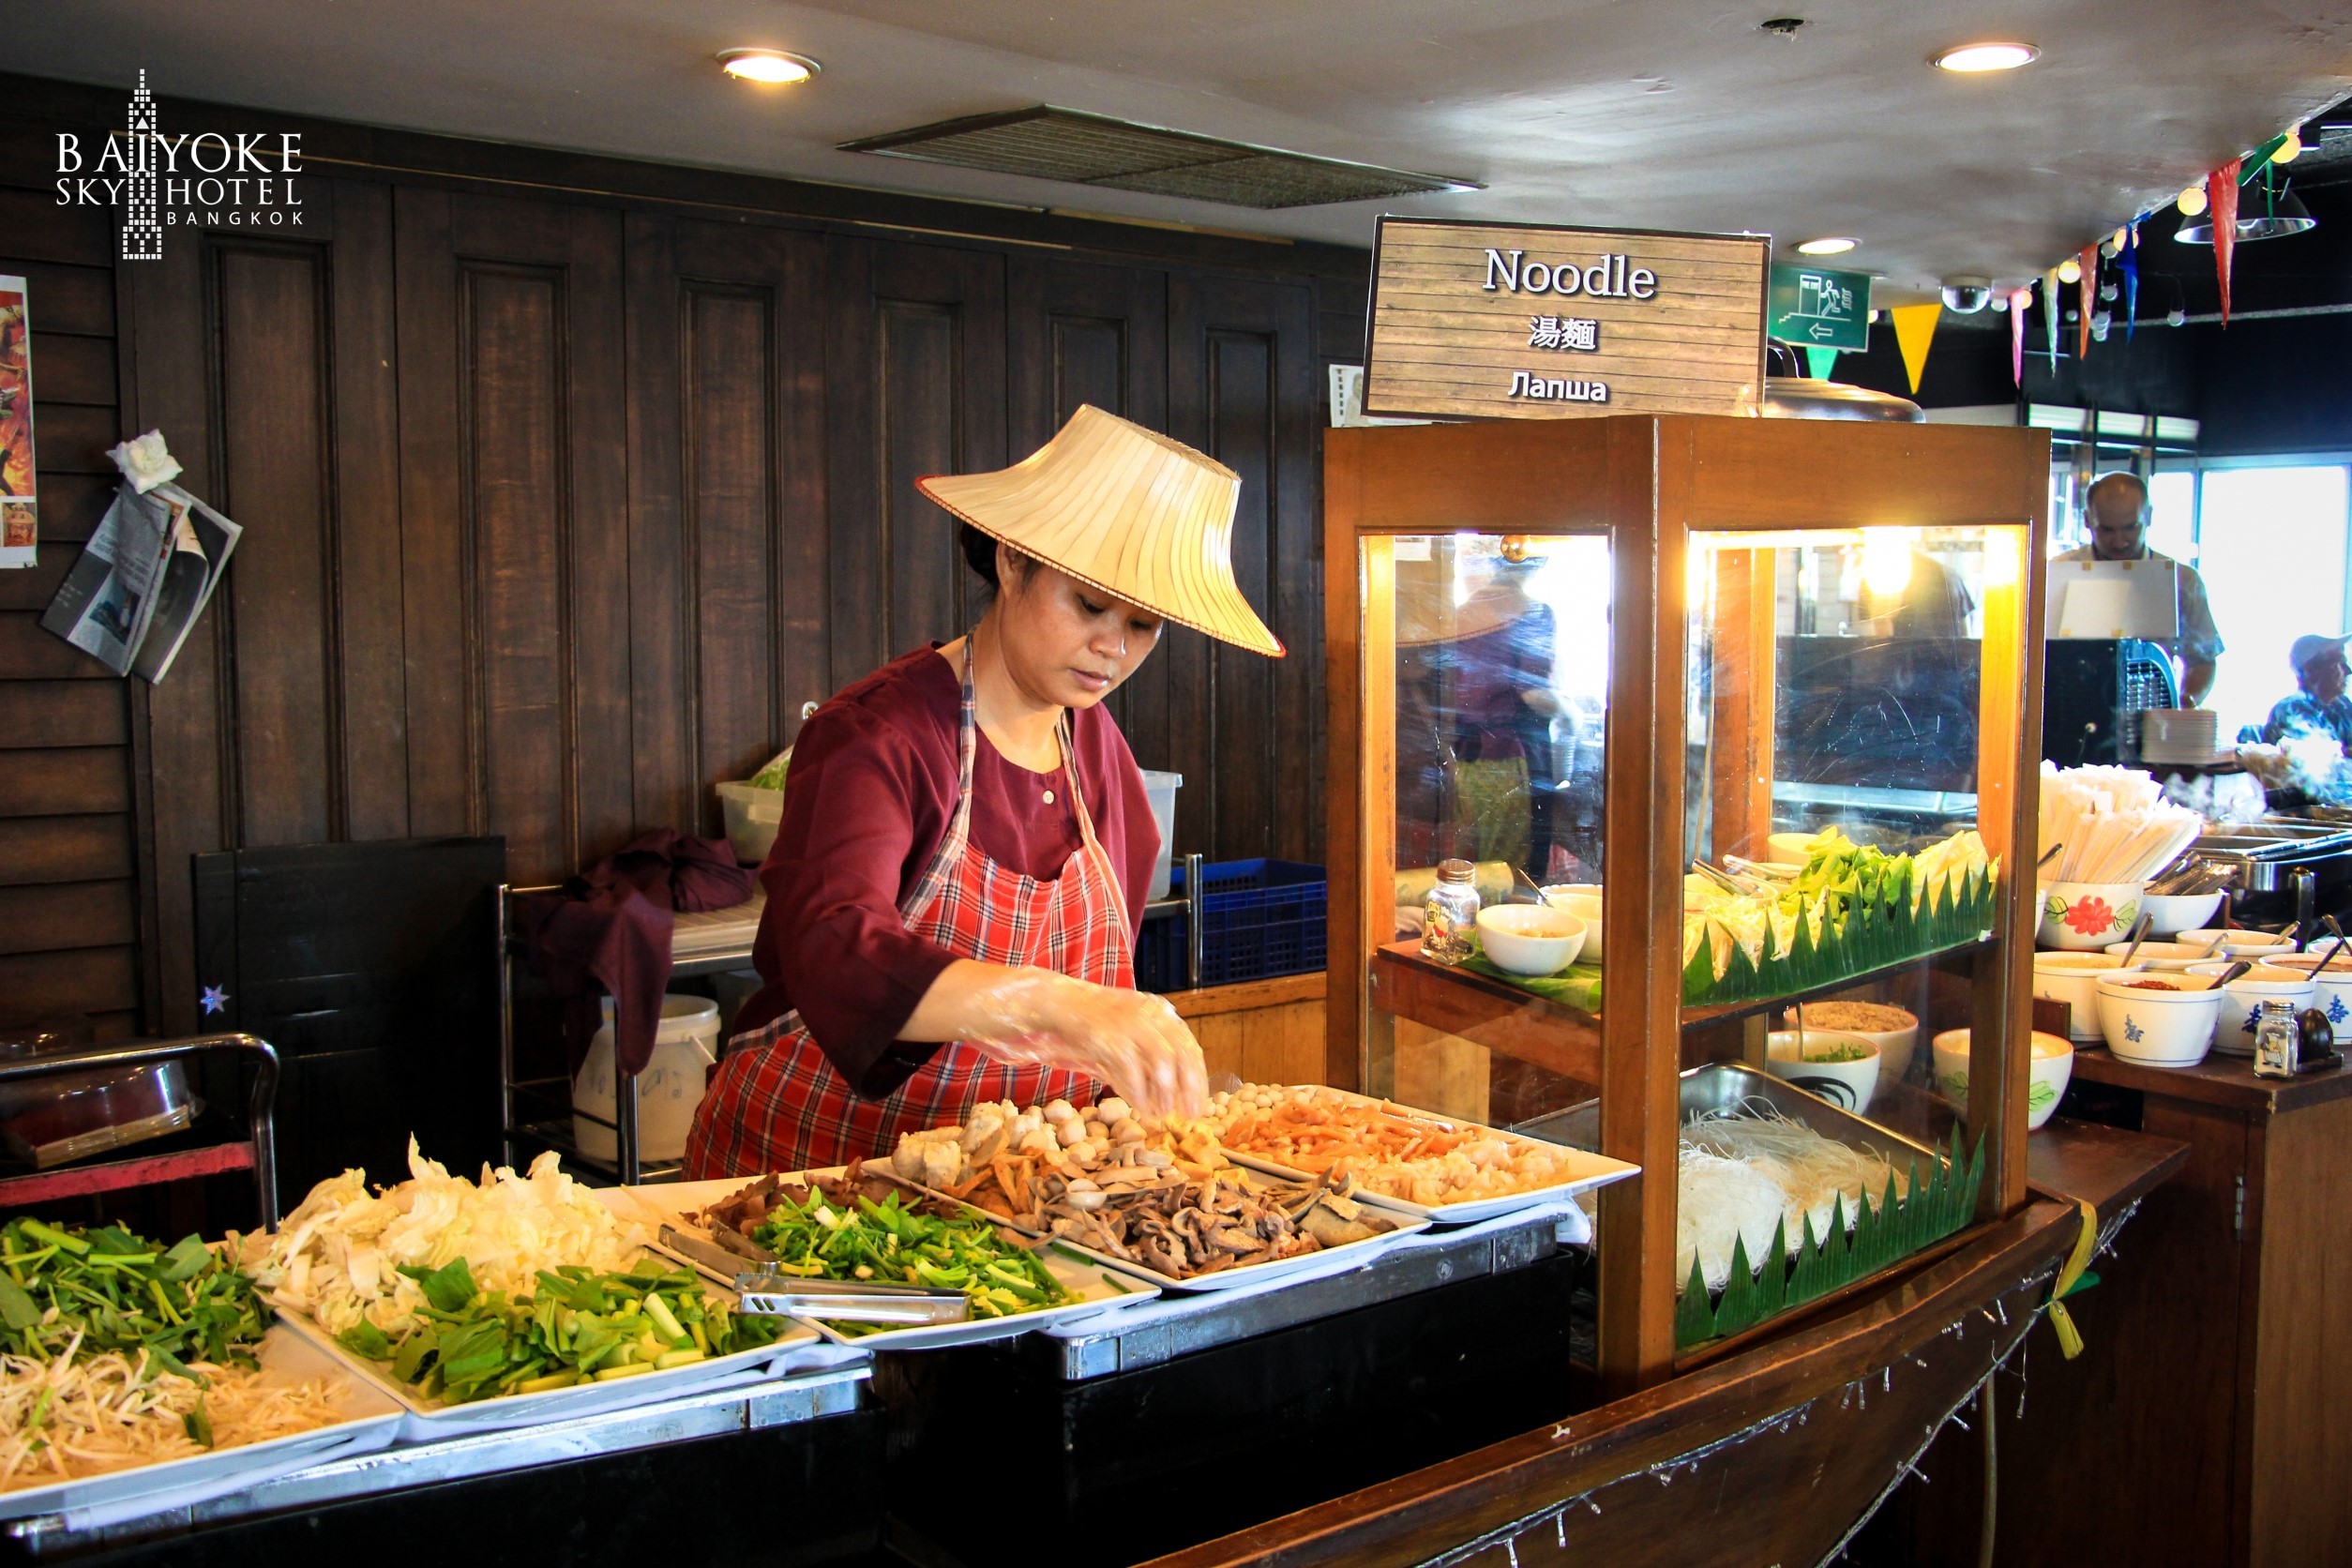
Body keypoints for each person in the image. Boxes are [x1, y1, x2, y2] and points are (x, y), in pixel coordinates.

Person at [685, 406, 1282, 1178]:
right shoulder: (879, 735)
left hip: (1007, 1189)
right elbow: (830, 945)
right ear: (1011, 561)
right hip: (812, 1171)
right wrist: (1050, 1004)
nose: (1113, 646)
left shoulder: (1102, 759)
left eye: (1145, 624)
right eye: (1091, 605)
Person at [2053, 472, 2222, 705]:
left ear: (2149, 516)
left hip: (2151, 711)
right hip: (2068, 709)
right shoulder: (2054, 574)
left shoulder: (2182, 580)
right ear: (2087, 520)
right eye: (2107, 530)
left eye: (2131, 528)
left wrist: (2182, 705)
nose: (2120, 541)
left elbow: (2202, 659)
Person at [2259, 633, 2352, 750]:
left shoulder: (2344, 706)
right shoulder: (2290, 710)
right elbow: (2316, 758)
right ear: (2311, 670)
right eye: (2339, 664)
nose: (2348, 671)